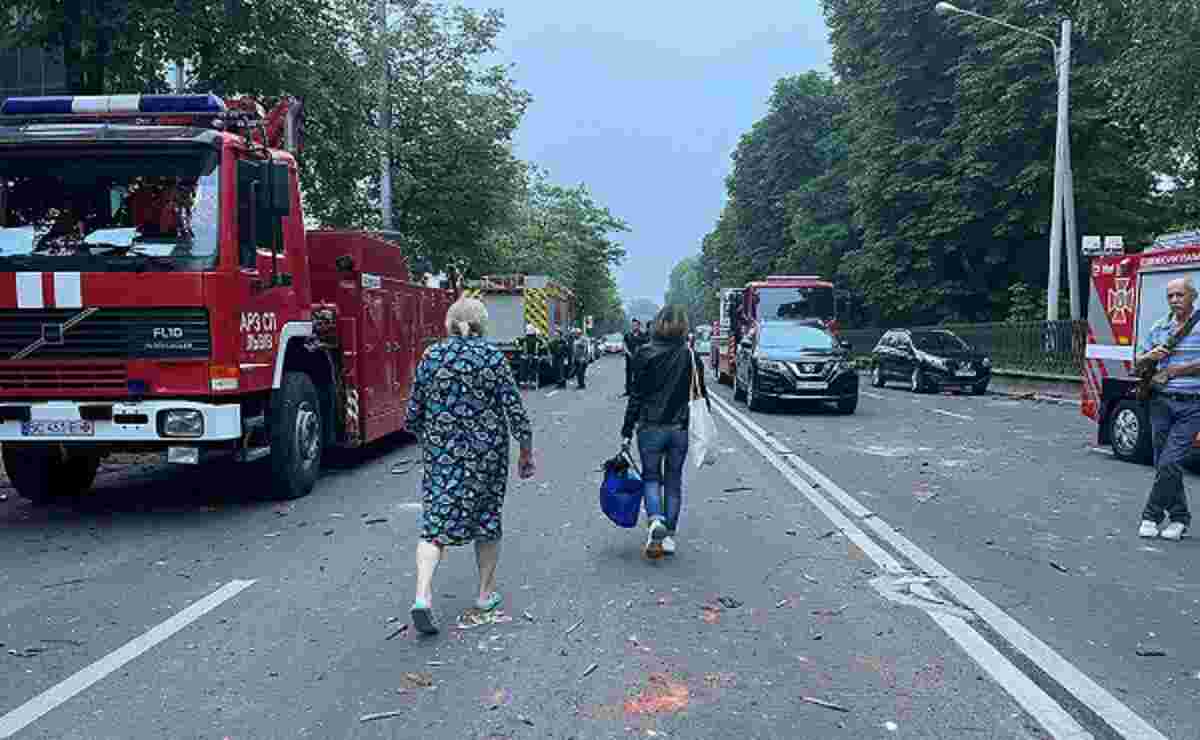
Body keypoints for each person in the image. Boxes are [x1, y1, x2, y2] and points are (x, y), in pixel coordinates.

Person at [404, 297, 536, 634]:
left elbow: (413, 414)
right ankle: (484, 594)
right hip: (487, 456)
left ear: (449, 323)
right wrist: (526, 452)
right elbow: (515, 410)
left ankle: (422, 596)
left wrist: (431, 441)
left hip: (441, 455)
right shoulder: (492, 357)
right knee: (487, 519)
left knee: (434, 526)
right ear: (482, 323)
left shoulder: (432, 357)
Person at [621, 305, 710, 559]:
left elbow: (636, 396)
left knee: (651, 478)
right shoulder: (690, 355)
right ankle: (668, 535)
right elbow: (701, 394)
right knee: (673, 481)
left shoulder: (644, 353)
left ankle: (655, 519)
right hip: (679, 429)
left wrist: (627, 430)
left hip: (650, 427)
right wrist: (704, 424)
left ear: (657, 324)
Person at [1136, 276, 1200, 541]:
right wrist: (1149, 357)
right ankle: (1179, 518)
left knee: (1169, 461)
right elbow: (1138, 362)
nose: (1174, 300)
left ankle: (1150, 516)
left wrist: (1176, 370)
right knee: (1164, 465)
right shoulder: (1160, 327)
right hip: (1160, 403)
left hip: (1192, 405)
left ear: (1193, 296)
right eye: (1170, 296)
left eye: (1179, 295)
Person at [623, 318, 649, 396]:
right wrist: (628, 352)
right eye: (633, 325)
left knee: (638, 374)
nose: (634, 326)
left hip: (639, 358)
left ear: (638, 326)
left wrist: (640, 352)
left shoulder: (643, 335)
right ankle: (628, 391)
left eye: (635, 325)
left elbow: (646, 345)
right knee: (628, 374)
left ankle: (637, 390)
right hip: (629, 358)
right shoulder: (628, 334)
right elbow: (624, 344)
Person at [520, 324, 541, 389]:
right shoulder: (537, 339)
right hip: (534, 357)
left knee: (524, 369)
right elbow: (542, 345)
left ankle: (523, 382)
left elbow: (517, 342)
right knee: (534, 369)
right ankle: (533, 382)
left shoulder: (524, 339)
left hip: (525, 357)